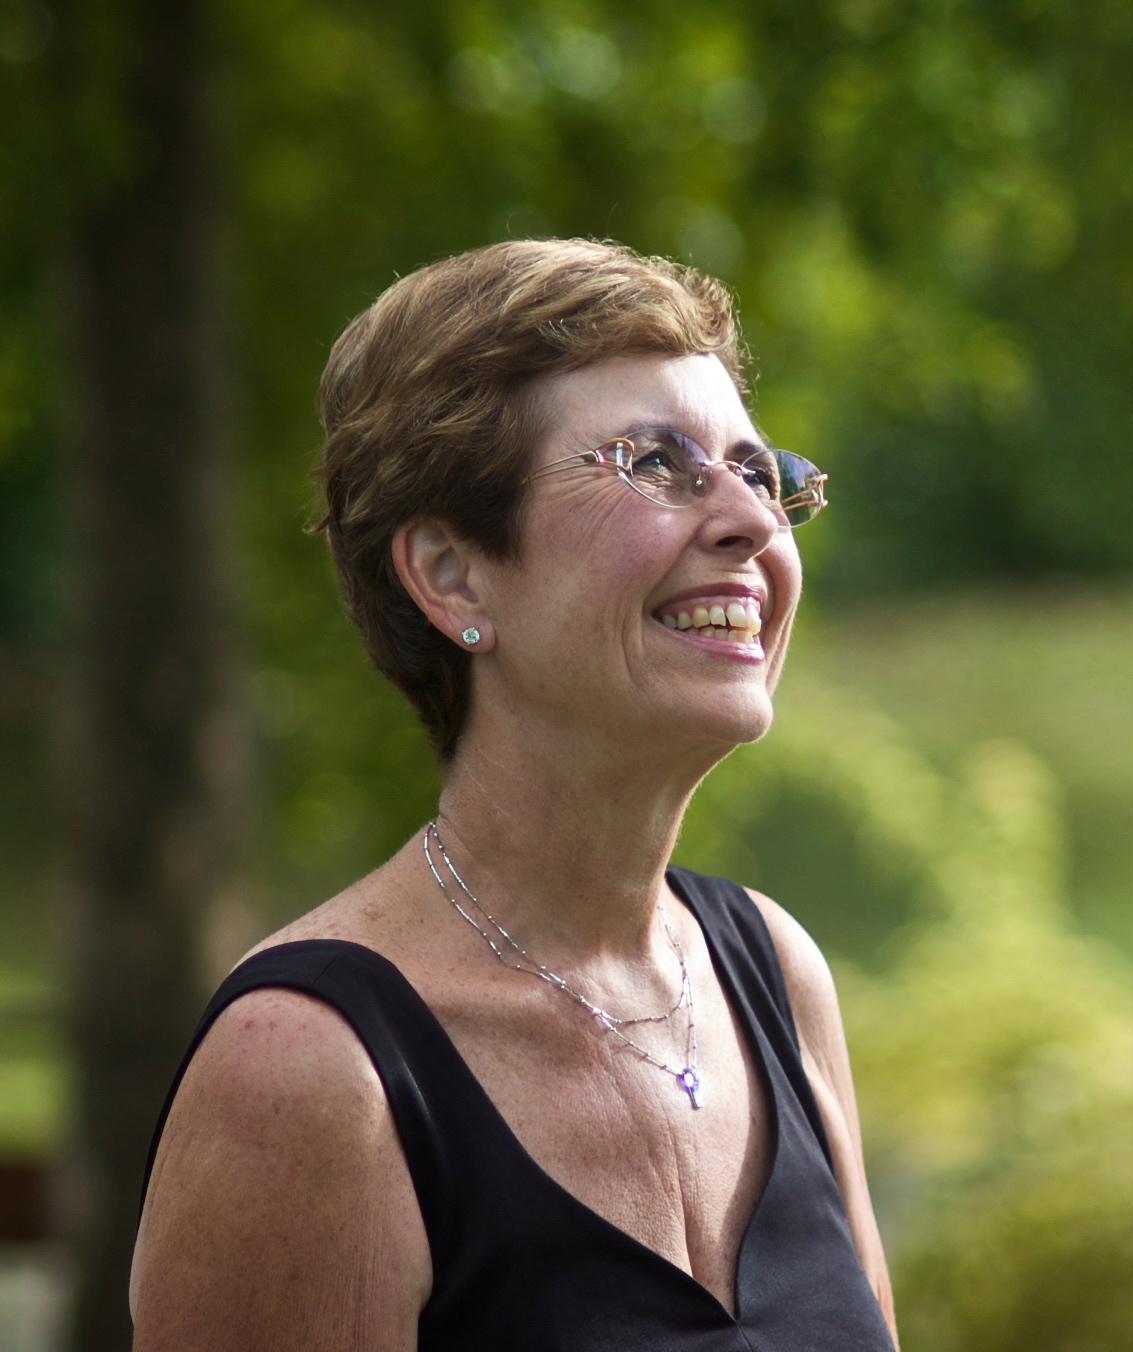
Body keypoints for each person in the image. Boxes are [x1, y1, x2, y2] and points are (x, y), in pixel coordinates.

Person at [130, 239, 898, 1351]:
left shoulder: (774, 979)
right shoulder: (310, 1072)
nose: (750, 521)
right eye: (656, 463)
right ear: (451, 575)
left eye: (757, 471)